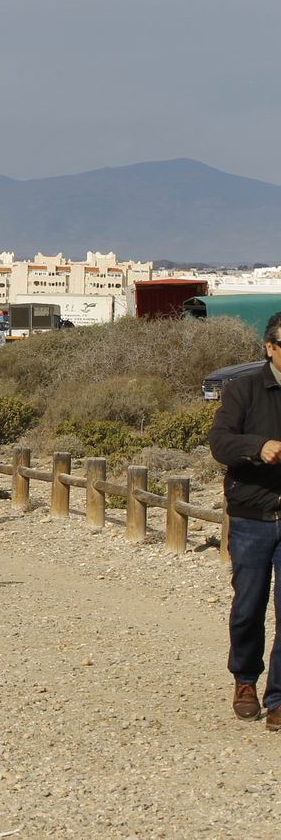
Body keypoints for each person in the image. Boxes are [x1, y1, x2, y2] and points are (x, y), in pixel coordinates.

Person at [210, 311, 281, 728]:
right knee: (248, 608)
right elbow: (220, 443)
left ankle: (279, 698)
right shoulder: (243, 389)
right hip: (252, 517)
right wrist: (258, 447)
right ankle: (245, 680)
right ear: (270, 347)